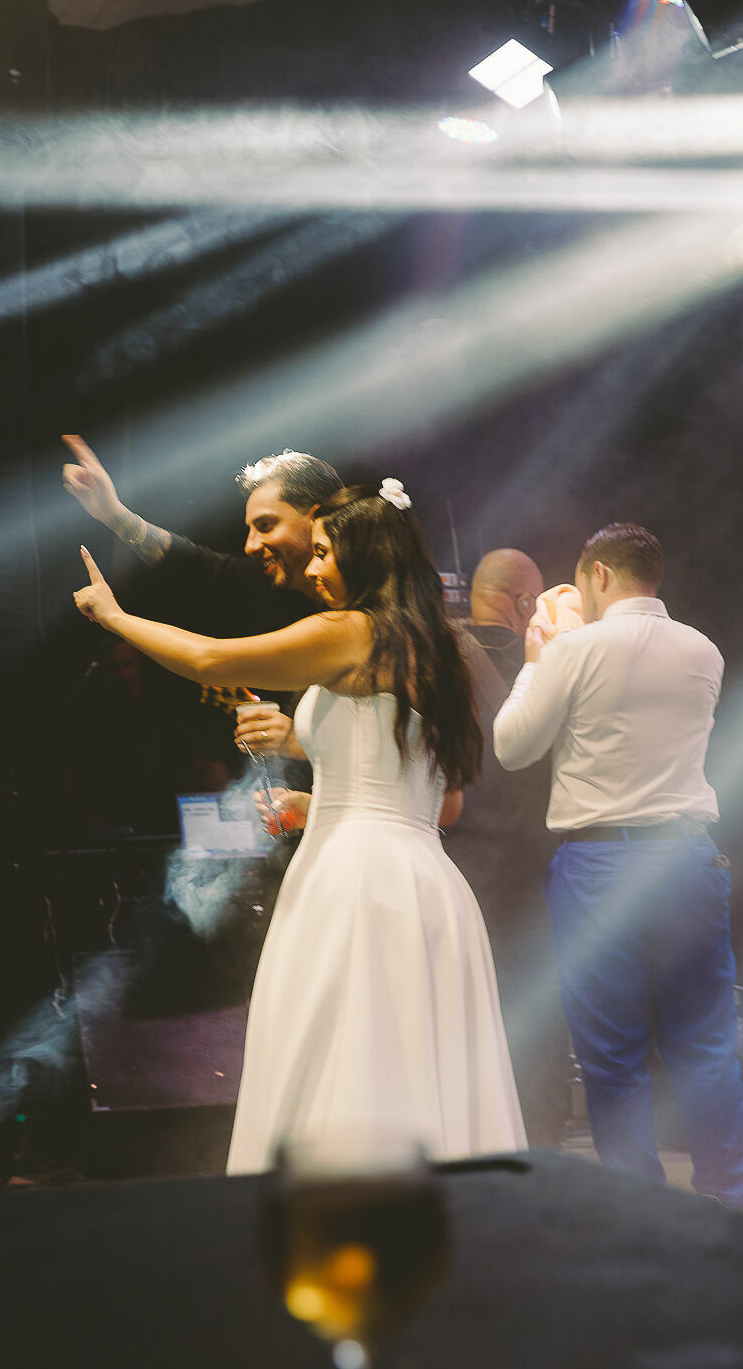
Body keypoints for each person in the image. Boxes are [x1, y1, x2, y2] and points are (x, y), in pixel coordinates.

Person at [73, 479, 527, 1170]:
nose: (311, 568)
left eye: (322, 551)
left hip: (356, 884)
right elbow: (440, 803)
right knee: (408, 1069)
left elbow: (209, 659)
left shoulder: (349, 632)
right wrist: (312, 782)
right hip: (426, 884)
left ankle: (341, 1207)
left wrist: (115, 618)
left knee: (345, 1065)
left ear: (362, 554)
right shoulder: (436, 646)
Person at [493, 522, 743, 1220]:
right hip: (686, 859)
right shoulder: (703, 650)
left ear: (597, 574)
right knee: (706, 1044)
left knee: (612, 1055)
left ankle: (638, 1214)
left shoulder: (573, 649)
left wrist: (537, 657)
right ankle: (731, 1203)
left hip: (601, 863)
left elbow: (511, 747)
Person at [62, 435, 338, 757]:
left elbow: (208, 660)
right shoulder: (267, 586)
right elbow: (190, 564)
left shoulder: (360, 613)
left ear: (316, 519)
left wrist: (114, 618)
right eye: (250, 529)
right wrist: (113, 513)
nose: (250, 545)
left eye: (266, 525)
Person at [442, 549, 569, 1146]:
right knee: (539, 1011)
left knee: (464, 1012)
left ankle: (470, 1139)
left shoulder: (435, 657)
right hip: (538, 867)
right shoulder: (548, 661)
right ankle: (541, 1142)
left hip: (459, 860)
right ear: (524, 602)